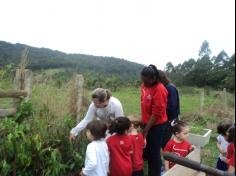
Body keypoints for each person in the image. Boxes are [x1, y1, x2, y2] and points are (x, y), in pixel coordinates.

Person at [141, 65, 168, 176]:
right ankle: (148, 167)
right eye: (142, 80)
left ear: (153, 78)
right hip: (146, 123)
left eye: (146, 81)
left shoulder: (160, 89)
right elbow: (143, 102)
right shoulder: (144, 85)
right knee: (147, 148)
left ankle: (155, 173)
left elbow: (157, 113)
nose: (144, 83)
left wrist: (146, 130)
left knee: (154, 152)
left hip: (157, 125)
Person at [158, 70, 180, 149]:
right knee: (164, 138)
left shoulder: (170, 88)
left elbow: (172, 106)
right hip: (168, 118)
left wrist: (159, 112)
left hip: (171, 118)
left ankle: (167, 157)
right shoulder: (166, 87)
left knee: (165, 140)